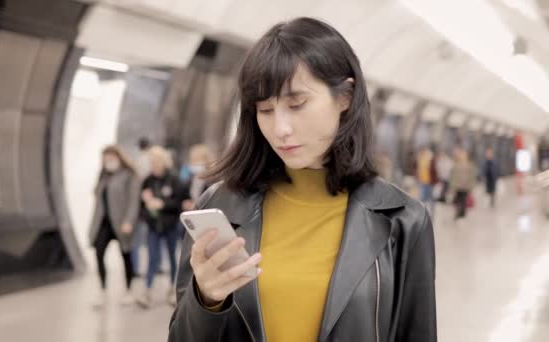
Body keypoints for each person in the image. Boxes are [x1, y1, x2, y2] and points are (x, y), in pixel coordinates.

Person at [168, 17, 436, 342]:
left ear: (345, 97)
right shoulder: (221, 205)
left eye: (297, 104)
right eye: (265, 110)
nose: (281, 129)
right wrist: (206, 300)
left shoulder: (402, 219)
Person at [89, 145, 141, 307]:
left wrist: (129, 221)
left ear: (119, 157)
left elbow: (134, 201)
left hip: (121, 222)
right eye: (106, 160)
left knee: (125, 255)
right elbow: (97, 199)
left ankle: (129, 290)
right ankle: (102, 290)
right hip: (103, 223)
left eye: (111, 159)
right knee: (99, 253)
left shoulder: (129, 175)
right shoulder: (103, 177)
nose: (108, 162)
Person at [137, 146, 182, 309]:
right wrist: (146, 209)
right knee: (152, 257)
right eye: (151, 163)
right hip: (153, 226)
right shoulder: (147, 181)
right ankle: (147, 291)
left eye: (156, 162)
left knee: (172, 257)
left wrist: (162, 204)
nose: (154, 166)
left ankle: (172, 289)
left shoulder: (174, 179)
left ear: (163, 162)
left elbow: (179, 202)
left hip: (170, 225)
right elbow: (141, 204)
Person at [132, 137, 151, 276]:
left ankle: (137, 268)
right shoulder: (148, 160)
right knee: (146, 240)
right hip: (145, 207)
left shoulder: (137, 161)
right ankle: (141, 268)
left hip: (140, 207)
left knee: (138, 241)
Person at [180, 144, 215, 212]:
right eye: (192, 160)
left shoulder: (212, 181)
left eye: (197, 160)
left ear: (206, 160)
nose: (193, 163)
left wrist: (196, 206)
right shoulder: (191, 179)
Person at [451, 147, 476, 220]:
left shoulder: (470, 165)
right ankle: (458, 213)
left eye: (464, 155)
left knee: (464, 201)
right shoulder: (456, 165)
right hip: (458, 186)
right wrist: (452, 186)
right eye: (462, 155)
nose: (463, 156)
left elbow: (472, 177)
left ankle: (462, 214)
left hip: (465, 187)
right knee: (457, 200)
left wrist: (471, 186)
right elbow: (453, 176)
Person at [416, 147, 438, 215]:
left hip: (430, 182)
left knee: (431, 200)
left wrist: (435, 181)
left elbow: (435, 170)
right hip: (422, 182)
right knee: (422, 200)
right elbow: (417, 169)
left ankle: (431, 214)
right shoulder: (420, 158)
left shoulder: (431, 158)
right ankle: (423, 214)